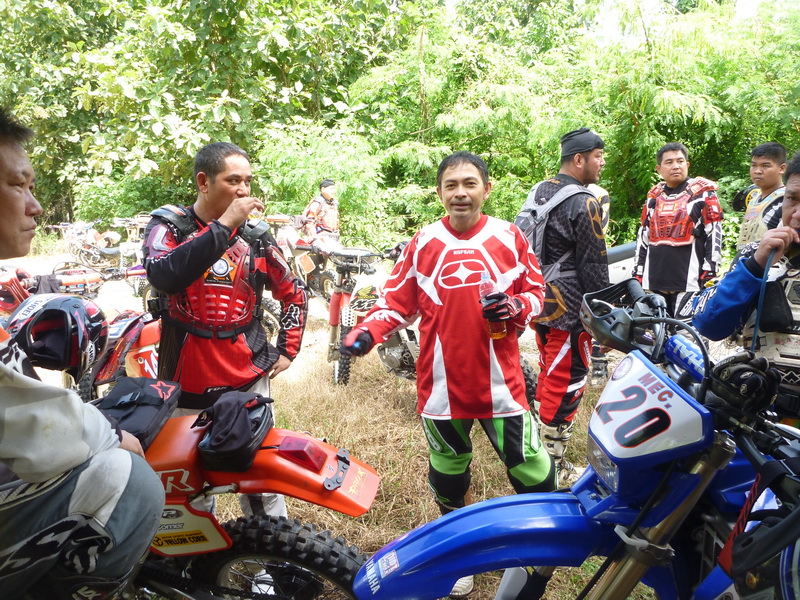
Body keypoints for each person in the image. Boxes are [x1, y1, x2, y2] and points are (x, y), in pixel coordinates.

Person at [340, 151, 556, 598]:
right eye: (451, 185)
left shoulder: (509, 236)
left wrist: (517, 306)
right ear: (439, 192)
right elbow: (395, 302)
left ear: (486, 189)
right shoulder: (424, 242)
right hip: (441, 387)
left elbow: (538, 293)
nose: (460, 193)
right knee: (449, 474)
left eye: (469, 183)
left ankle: (541, 549)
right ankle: (461, 557)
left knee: (532, 468)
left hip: (502, 384)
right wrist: (367, 332)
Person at [0, 108, 164, 600]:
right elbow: (28, 417)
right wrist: (109, 435)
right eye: (18, 185)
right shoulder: (167, 227)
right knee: (133, 482)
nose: (36, 207)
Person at [142, 142, 308, 519]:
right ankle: (200, 552)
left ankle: (268, 550)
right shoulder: (169, 227)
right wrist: (223, 226)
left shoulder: (257, 236)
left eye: (247, 181)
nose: (243, 190)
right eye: (233, 181)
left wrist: (288, 348)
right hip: (184, 378)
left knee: (259, 474)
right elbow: (163, 276)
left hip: (246, 374)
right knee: (186, 479)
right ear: (204, 182)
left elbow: (294, 291)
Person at [515, 127, 609, 482]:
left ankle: (539, 451)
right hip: (569, 311)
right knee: (566, 380)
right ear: (579, 159)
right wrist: (602, 316)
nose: (602, 163)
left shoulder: (540, 190)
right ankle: (551, 466)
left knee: (548, 372)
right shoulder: (584, 201)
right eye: (598, 156)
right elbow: (594, 264)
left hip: (539, 300)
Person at [693, 150, 800, 421]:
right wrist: (755, 266)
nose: (797, 215)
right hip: (759, 421)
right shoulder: (756, 255)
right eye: (792, 200)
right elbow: (709, 324)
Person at [632, 142, 724, 316]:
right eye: (669, 162)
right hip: (653, 281)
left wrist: (710, 271)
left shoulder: (703, 194)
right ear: (659, 168)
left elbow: (714, 233)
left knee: (686, 331)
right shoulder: (654, 197)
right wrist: (638, 272)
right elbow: (643, 236)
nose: (675, 166)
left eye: (680, 161)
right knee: (654, 330)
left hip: (689, 281)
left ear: (687, 164)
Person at [736, 142, 787, 249]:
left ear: (782, 168)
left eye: (765, 166)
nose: (757, 171)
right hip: (746, 258)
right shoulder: (754, 199)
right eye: (754, 165)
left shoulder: (786, 201)